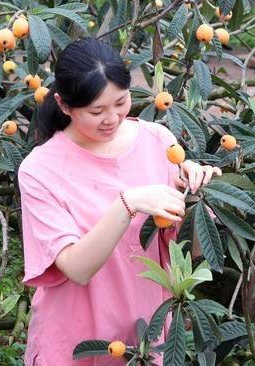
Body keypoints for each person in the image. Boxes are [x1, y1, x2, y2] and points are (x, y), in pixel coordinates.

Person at [18, 38, 221, 365]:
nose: (111, 118)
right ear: (64, 105)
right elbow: (76, 268)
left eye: (121, 102)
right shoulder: (40, 170)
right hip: (73, 342)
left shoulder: (158, 142)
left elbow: (195, 251)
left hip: (146, 338)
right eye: (96, 111)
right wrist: (128, 203)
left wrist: (197, 196)